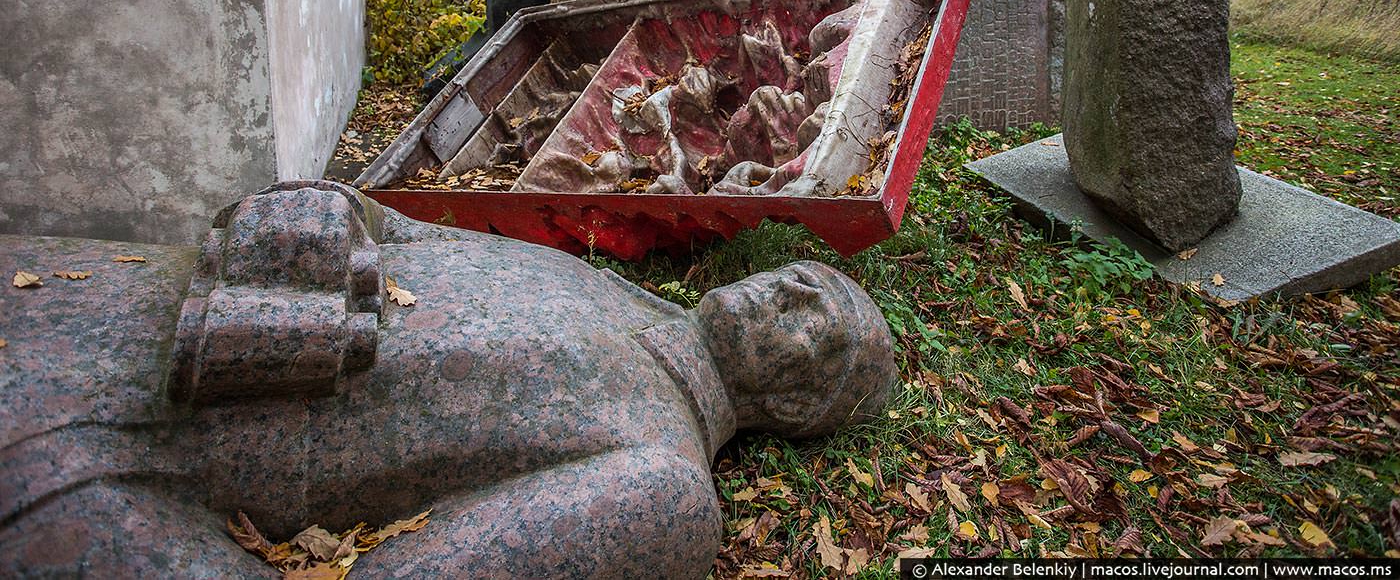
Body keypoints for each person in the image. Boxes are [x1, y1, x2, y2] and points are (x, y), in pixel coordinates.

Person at [0, 182, 898, 578]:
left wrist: (79, 507)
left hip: (113, 446)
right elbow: (394, 227)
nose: (789, 287)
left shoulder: (659, 480)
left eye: (818, 321)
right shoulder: (598, 284)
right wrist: (322, 206)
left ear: (794, 404)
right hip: (120, 288)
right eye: (804, 277)